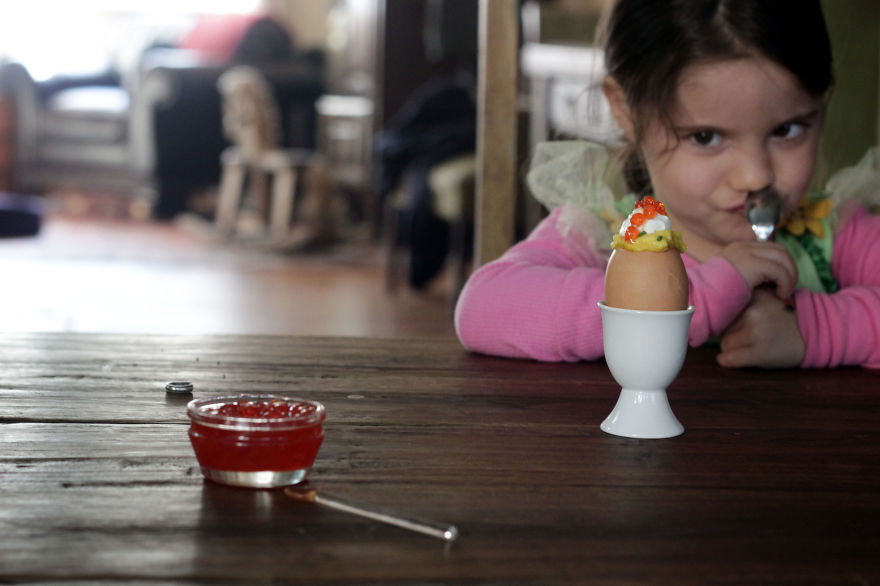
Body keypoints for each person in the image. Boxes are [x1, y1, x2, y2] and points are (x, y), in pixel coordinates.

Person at [454, 0, 880, 369]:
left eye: (788, 130)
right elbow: (482, 308)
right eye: (705, 137)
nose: (756, 176)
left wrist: (818, 330)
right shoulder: (604, 238)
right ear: (627, 112)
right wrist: (689, 299)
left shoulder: (836, 232)